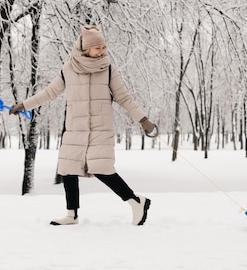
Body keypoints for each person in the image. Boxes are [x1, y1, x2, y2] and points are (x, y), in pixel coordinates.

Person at [10, 25, 156, 226]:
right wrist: (24, 105)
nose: (102, 51)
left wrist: (143, 119)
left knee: (102, 168)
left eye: (103, 47)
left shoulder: (108, 69)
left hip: (100, 128)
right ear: (85, 48)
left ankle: (135, 201)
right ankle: (72, 214)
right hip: (76, 128)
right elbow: (50, 92)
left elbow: (124, 97)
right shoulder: (68, 70)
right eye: (98, 48)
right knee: (68, 167)